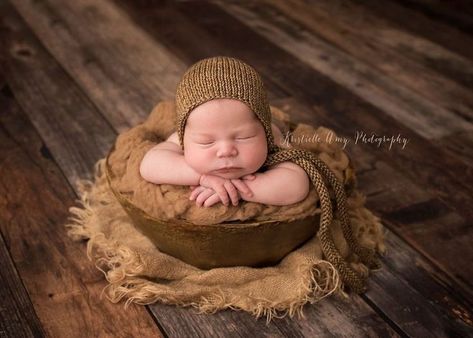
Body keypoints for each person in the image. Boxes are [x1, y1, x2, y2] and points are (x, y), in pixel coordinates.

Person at [140, 58, 310, 208]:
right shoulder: (185, 134)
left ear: (264, 131)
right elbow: (149, 165)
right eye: (206, 142)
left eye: (244, 137)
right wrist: (200, 177)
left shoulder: (272, 135)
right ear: (184, 136)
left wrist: (239, 189)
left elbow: (297, 185)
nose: (226, 151)